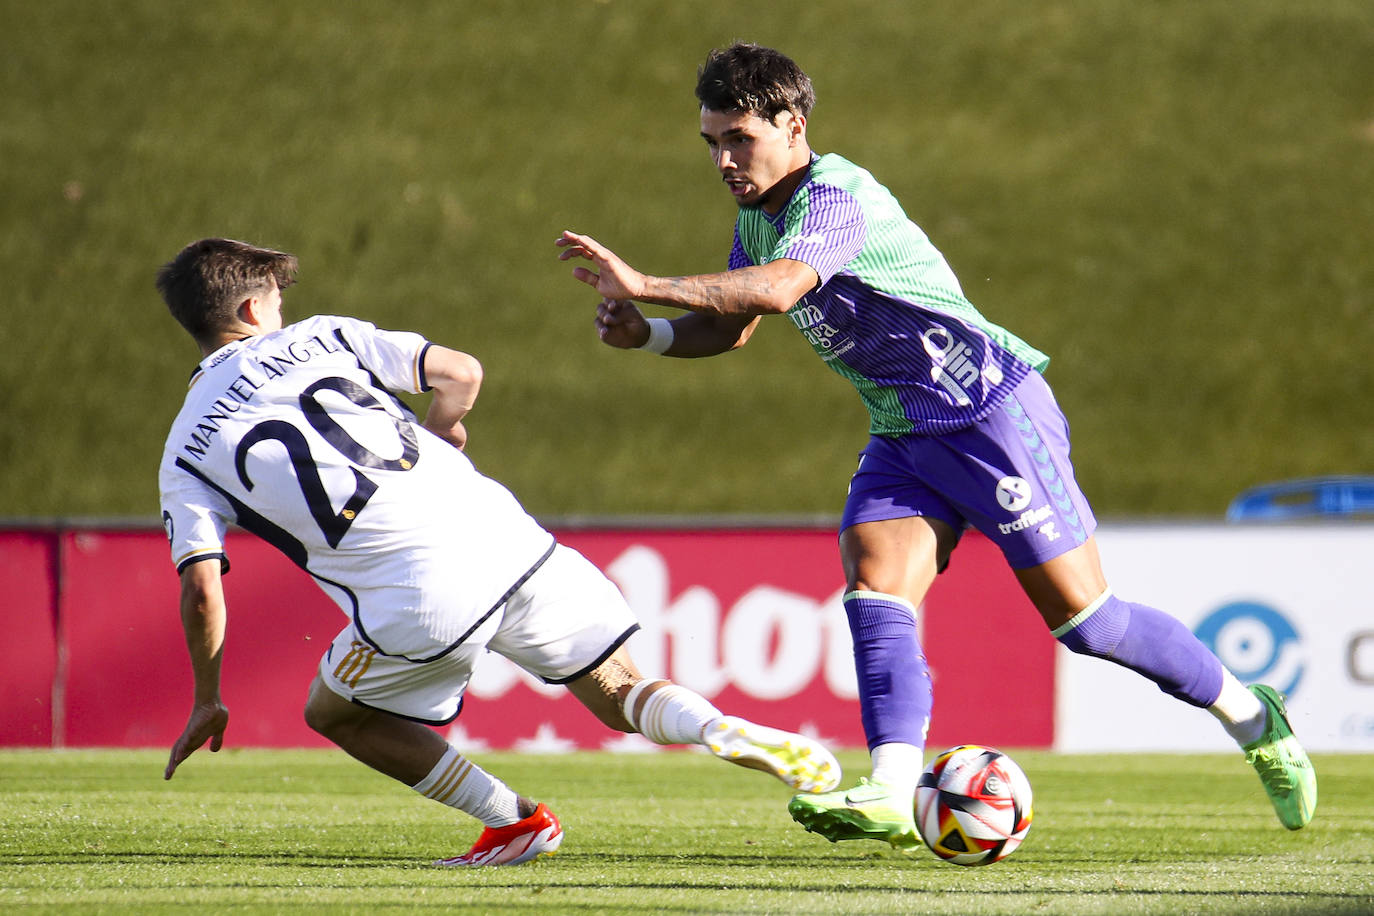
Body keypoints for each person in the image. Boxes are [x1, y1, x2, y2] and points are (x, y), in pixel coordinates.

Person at [556, 42, 1316, 849]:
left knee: (1087, 622)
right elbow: (731, 326)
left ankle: (1247, 710)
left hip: (990, 414)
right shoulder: (757, 213)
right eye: (712, 142)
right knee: (875, 587)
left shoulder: (836, 194)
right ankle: (889, 789)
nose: (724, 158)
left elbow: (777, 291)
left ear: (793, 123)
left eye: (739, 138)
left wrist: (646, 283)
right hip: (904, 432)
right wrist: (649, 336)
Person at [155, 237, 841, 867]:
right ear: (251, 307)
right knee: (620, 691)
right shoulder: (324, 337)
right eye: (277, 300)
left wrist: (208, 698)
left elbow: (202, 588)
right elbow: (459, 372)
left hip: (417, 593)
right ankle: (722, 728)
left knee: (334, 712)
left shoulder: (186, 449)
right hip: (508, 535)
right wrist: (439, 432)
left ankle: (512, 822)